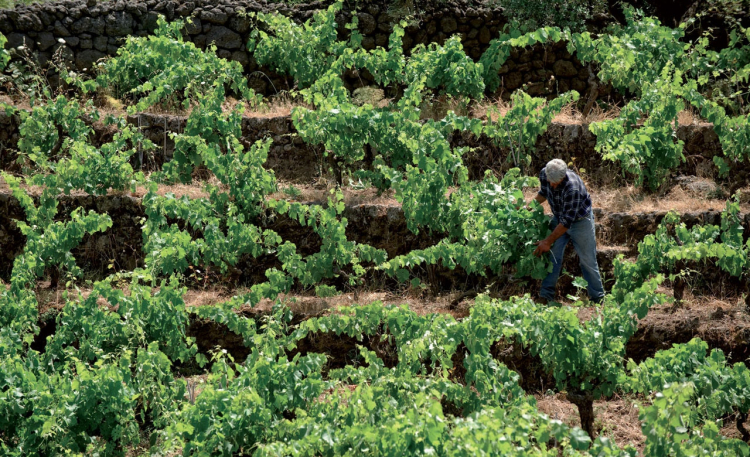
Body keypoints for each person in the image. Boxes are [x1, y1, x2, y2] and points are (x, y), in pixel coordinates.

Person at [527, 158, 605, 304]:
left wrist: (547, 241)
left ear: (563, 177)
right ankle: (546, 296)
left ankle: (598, 298)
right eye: (550, 181)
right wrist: (527, 209)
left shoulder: (572, 187)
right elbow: (543, 193)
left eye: (555, 183)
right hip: (559, 217)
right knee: (552, 257)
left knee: (588, 260)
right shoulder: (545, 174)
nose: (552, 185)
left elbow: (566, 223)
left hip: (580, 221)